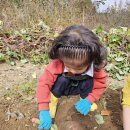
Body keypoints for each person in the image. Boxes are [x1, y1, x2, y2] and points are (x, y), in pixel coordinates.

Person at [37, 25, 108, 130]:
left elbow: (100, 85)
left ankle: (83, 100)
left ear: (91, 60)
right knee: (62, 79)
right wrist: (43, 109)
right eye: (68, 66)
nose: (73, 71)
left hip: (82, 86)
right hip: (63, 87)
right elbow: (44, 84)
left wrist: (89, 99)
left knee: (89, 81)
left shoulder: (96, 68)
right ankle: (53, 102)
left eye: (79, 67)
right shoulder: (57, 64)